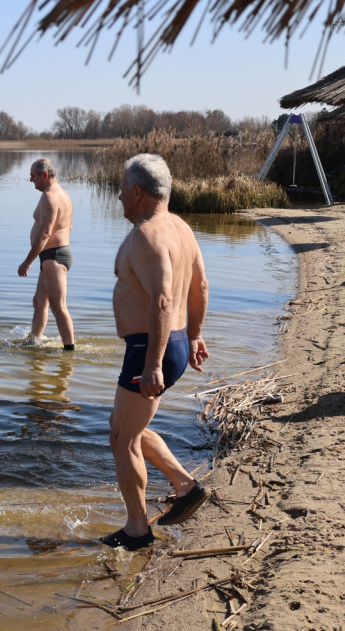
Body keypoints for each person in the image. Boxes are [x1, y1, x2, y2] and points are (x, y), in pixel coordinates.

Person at [102, 154, 210, 550]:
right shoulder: (181, 227)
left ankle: (136, 529)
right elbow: (200, 286)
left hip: (152, 348)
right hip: (172, 343)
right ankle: (184, 485)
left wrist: (151, 365)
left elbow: (164, 301)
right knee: (127, 426)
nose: (118, 197)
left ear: (137, 192)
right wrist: (194, 336)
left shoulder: (146, 236)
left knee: (122, 438)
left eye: (122, 191)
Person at [17, 158, 75, 351]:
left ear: (45, 175)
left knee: (59, 307)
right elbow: (69, 226)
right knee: (39, 301)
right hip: (51, 255)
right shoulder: (63, 194)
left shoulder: (50, 197)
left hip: (54, 257)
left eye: (33, 176)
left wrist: (27, 262)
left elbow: (45, 233)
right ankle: (34, 341)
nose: (31, 180)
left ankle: (69, 351)